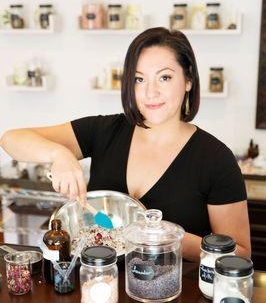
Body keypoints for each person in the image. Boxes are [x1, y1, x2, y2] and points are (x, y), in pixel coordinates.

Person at [0, 27, 251, 262]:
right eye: (139, 80)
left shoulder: (215, 159)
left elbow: (239, 255)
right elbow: (11, 139)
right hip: (98, 290)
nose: (150, 92)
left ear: (188, 80)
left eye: (164, 77)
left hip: (173, 300)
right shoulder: (105, 131)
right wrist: (59, 154)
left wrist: (168, 238)